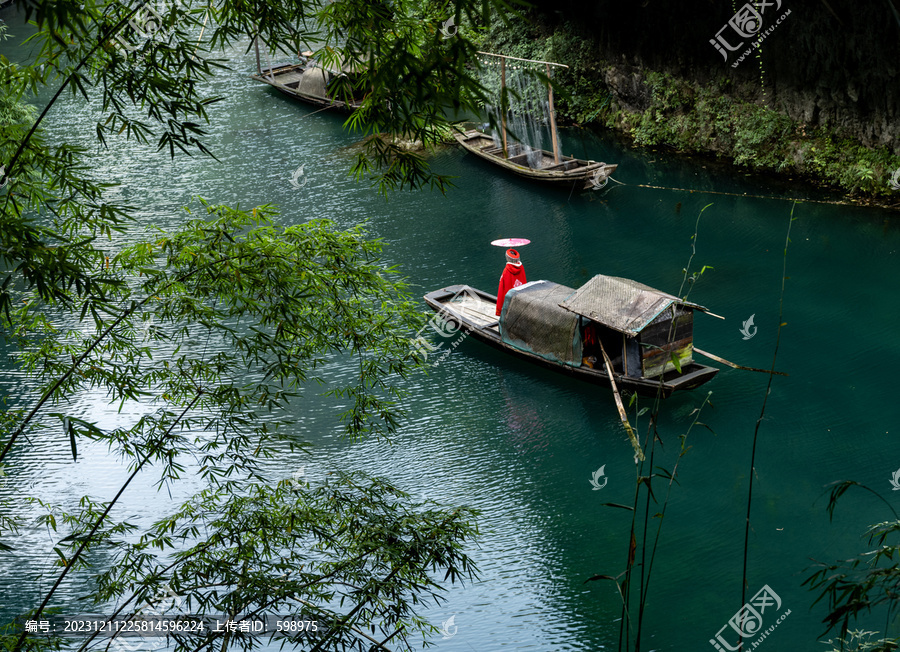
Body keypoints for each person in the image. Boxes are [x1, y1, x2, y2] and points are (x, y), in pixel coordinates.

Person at [495, 248, 527, 316]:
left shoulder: (506, 270)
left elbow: (501, 289)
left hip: (510, 300)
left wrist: (499, 310)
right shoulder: (521, 267)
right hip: (521, 298)